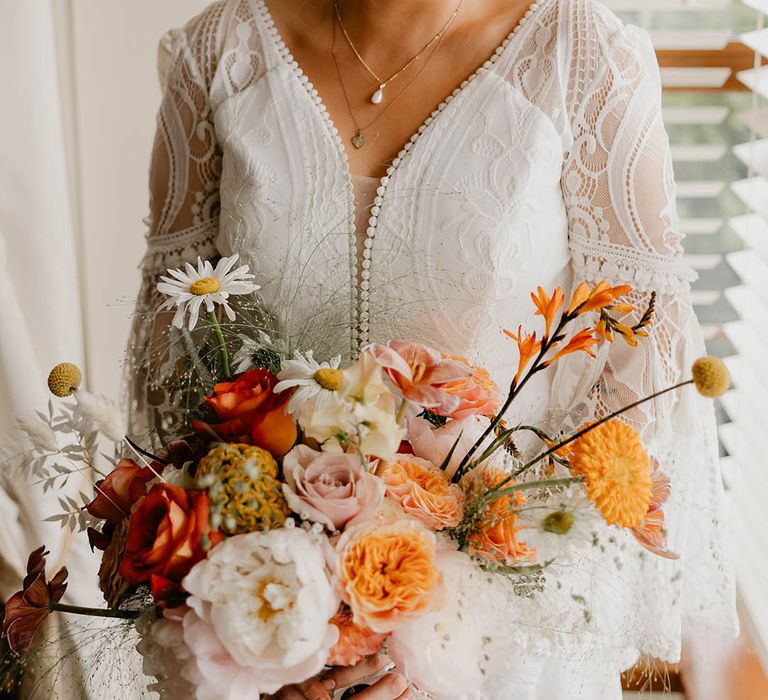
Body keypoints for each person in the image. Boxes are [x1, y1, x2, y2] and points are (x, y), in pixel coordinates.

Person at [127, 0, 736, 697]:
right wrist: (282, 641)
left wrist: (435, 631)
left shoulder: (585, 57)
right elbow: (174, 368)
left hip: (501, 646)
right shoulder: (219, 54)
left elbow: (636, 398)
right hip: (267, 641)